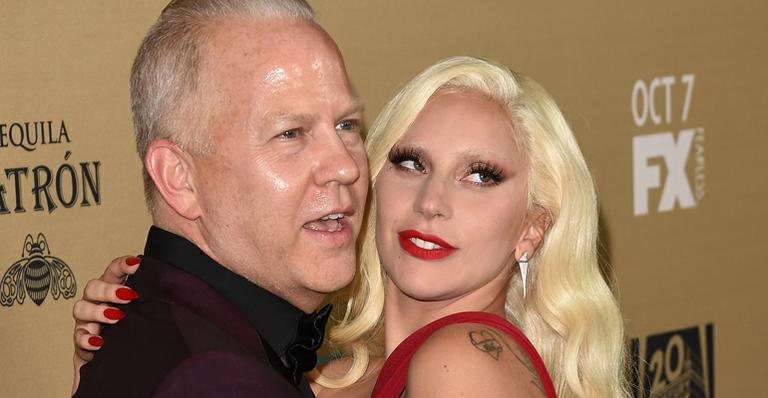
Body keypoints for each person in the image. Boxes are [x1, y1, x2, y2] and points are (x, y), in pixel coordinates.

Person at [74, 57, 629, 397]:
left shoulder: (463, 360)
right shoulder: (329, 376)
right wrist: (116, 363)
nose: (432, 202)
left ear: (532, 229)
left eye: (480, 176)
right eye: (411, 163)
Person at [73, 0, 368, 397]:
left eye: (347, 124)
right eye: (291, 133)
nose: (345, 166)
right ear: (179, 178)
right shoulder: (216, 380)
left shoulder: (194, 344)